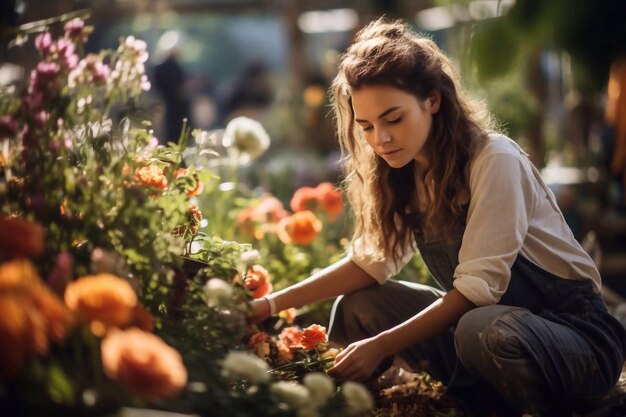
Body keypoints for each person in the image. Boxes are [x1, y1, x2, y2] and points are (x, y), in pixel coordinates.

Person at [249, 19, 626, 417]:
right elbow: (370, 263)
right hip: (483, 340)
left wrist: (382, 344)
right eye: (367, 127)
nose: (381, 139)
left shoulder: (493, 159)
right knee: (361, 305)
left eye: (394, 119)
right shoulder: (403, 174)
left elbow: (477, 291)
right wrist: (269, 305)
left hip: (576, 345)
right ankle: (480, 401)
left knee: (478, 327)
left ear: (432, 99)